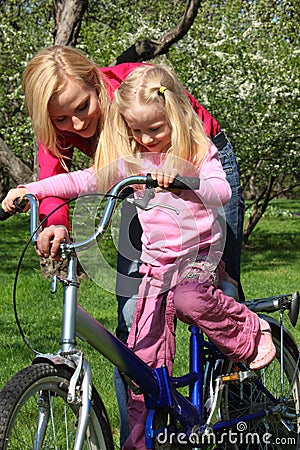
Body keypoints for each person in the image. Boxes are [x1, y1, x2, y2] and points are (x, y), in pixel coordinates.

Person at [2, 64, 276, 450]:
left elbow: (221, 190)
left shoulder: (190, 144)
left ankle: (250, 342)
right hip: (157, 265)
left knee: (193, 299)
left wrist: (185, 178)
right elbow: (80, 179)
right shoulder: (132, 156)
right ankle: (139, 442)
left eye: (154, 130)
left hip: (198, 256)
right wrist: (29, 188)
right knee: (139, 361)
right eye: (136, 132)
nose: (145, 139)